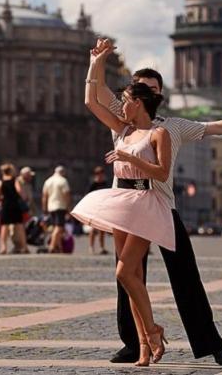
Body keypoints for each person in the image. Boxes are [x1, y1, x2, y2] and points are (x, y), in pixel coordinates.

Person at [90, 38, 222, 366]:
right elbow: (94, 95)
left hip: (161, 205)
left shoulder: (173, 127)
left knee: (185, 276)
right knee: (127, 275)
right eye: (139, 87)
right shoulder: (122, 122)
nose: (143, 92)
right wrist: (95, 61)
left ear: (158, 93)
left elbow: (216, 127)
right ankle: (133, 343)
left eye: (151, 87)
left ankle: (210, 342)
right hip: (126, 205)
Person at [72, 78, 172, 366]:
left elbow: (162, 173)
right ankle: (143, 345)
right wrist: (95, 63)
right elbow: (91, 102)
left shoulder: (158, 133)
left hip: (144, 201)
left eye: (125, 100)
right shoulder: (123, 129)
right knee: (133, 278)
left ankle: (153, 330)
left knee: (124, 272)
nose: (121, 106)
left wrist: (129, 156)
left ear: (138, 103)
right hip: (121, 200)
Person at [0, 163, 29, 254]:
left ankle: (3, 247)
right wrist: (24, 197)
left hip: (5, 205)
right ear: (10, 171)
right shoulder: (15, 181)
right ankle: (24, 247)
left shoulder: (0, 182)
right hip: (15, 205)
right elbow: (20, 191)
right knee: (20, 226)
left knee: (4, 226)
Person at [42, 166, 71, 253]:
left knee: (56, 227)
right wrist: (69, 208)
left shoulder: (48, 181)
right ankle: (52, 246)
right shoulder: (63, 180)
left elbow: (44, 196)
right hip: (60, 206)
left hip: (51, 207)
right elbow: (67, 195)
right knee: (59, 227)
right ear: (62, 172)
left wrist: (44, 208)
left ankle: (59, 247)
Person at [87, 166, 109, 255]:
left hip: (103, 208)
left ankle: (102, 247)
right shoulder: (93, 184)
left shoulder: (105, 183)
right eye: (98, 173)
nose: (100, 175)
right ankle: (91, 247)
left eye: (101, 173)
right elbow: (88, 196)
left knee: (102, 229)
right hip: (94, 208)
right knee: (93, 228)